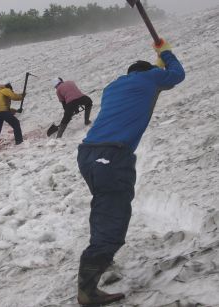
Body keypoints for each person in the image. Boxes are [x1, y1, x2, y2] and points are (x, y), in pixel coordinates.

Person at [76, 39, 185, 306]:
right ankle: (87, 289)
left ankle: (103, 256)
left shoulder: (114, 86)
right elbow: (177, 75)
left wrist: (155, 66)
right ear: (149, 72)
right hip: (112, 156)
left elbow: (149, 82)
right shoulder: (150, 79)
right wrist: (165, 52)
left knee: (104, 205)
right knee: (113, 221)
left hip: (88, 154)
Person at [0, 83, 25, 154]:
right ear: (10, 89)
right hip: (2, 111)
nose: (12, 92)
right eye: (12, 91)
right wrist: (22, 96)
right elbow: (14, 96)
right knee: (15, 123)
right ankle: (19, 141)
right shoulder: (6, 90)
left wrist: (16, 111)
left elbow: (7, 109)